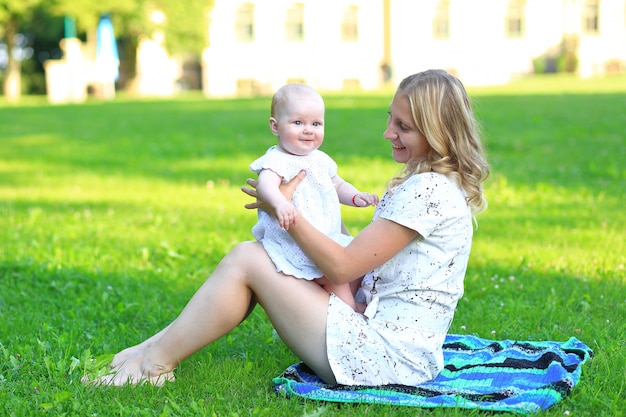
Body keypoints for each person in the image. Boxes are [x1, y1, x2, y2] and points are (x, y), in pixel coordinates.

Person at [85, 69, 489, 387]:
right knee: (258, 257)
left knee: (249, 259)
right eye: (391, 119)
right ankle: (147, 354)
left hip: (388, 358)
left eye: (403, 126)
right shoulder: (429, 183)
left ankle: (154, 364)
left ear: (437, 131)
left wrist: (288, 213)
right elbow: (364, 255)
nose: (388, 133)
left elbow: (343, 267)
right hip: (384, 334)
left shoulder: (428, 192)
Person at [250, 83, 378, 309]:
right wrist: (280, 203)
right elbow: (265, 186)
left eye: (316, 123)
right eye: (298, 122)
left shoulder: (320, 159)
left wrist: (355, 196)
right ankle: (350, 312)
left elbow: (337, 184)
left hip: (325, 236)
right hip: (294, 243)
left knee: (353, 268)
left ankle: (351, 304)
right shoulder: (277, 160)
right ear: (275, 126)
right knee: (334, 280)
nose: (308, 129)